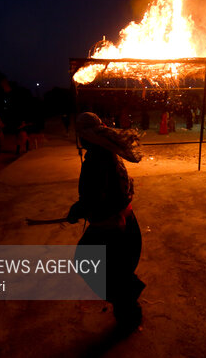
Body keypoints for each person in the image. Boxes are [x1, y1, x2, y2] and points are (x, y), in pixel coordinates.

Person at [67, 112, 145, 333]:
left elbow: (97, 198)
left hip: (115, 229)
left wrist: (78, 210)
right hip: (122, 225)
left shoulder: (98, 160)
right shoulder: (104, 153)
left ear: (86, 136)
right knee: (115, 271)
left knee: (94, 266)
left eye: (80, 135)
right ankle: (129, 310)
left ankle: (129, 311)